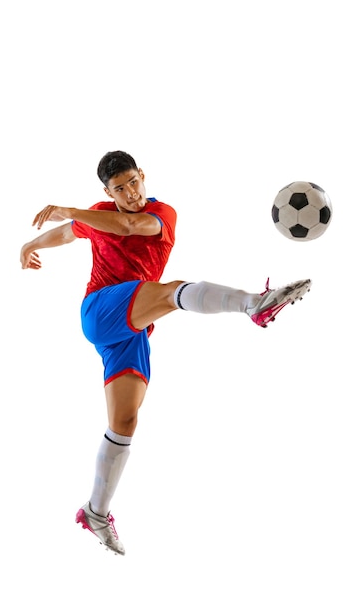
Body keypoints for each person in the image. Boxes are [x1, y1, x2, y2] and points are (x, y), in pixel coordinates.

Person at [20, 150, 311, 556]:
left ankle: (95, 512)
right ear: (107, 191)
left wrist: (72, 211)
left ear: (143, 176)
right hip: (101, 309)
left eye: (133, 182)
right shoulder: (98, 214)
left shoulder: (161, 214)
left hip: (132, 331)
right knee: (172, 291)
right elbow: (70, 232)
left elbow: (128, 224)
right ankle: (253, 304)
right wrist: (31, 244)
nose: (130, 193)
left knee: (125, 421)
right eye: (119, 189)